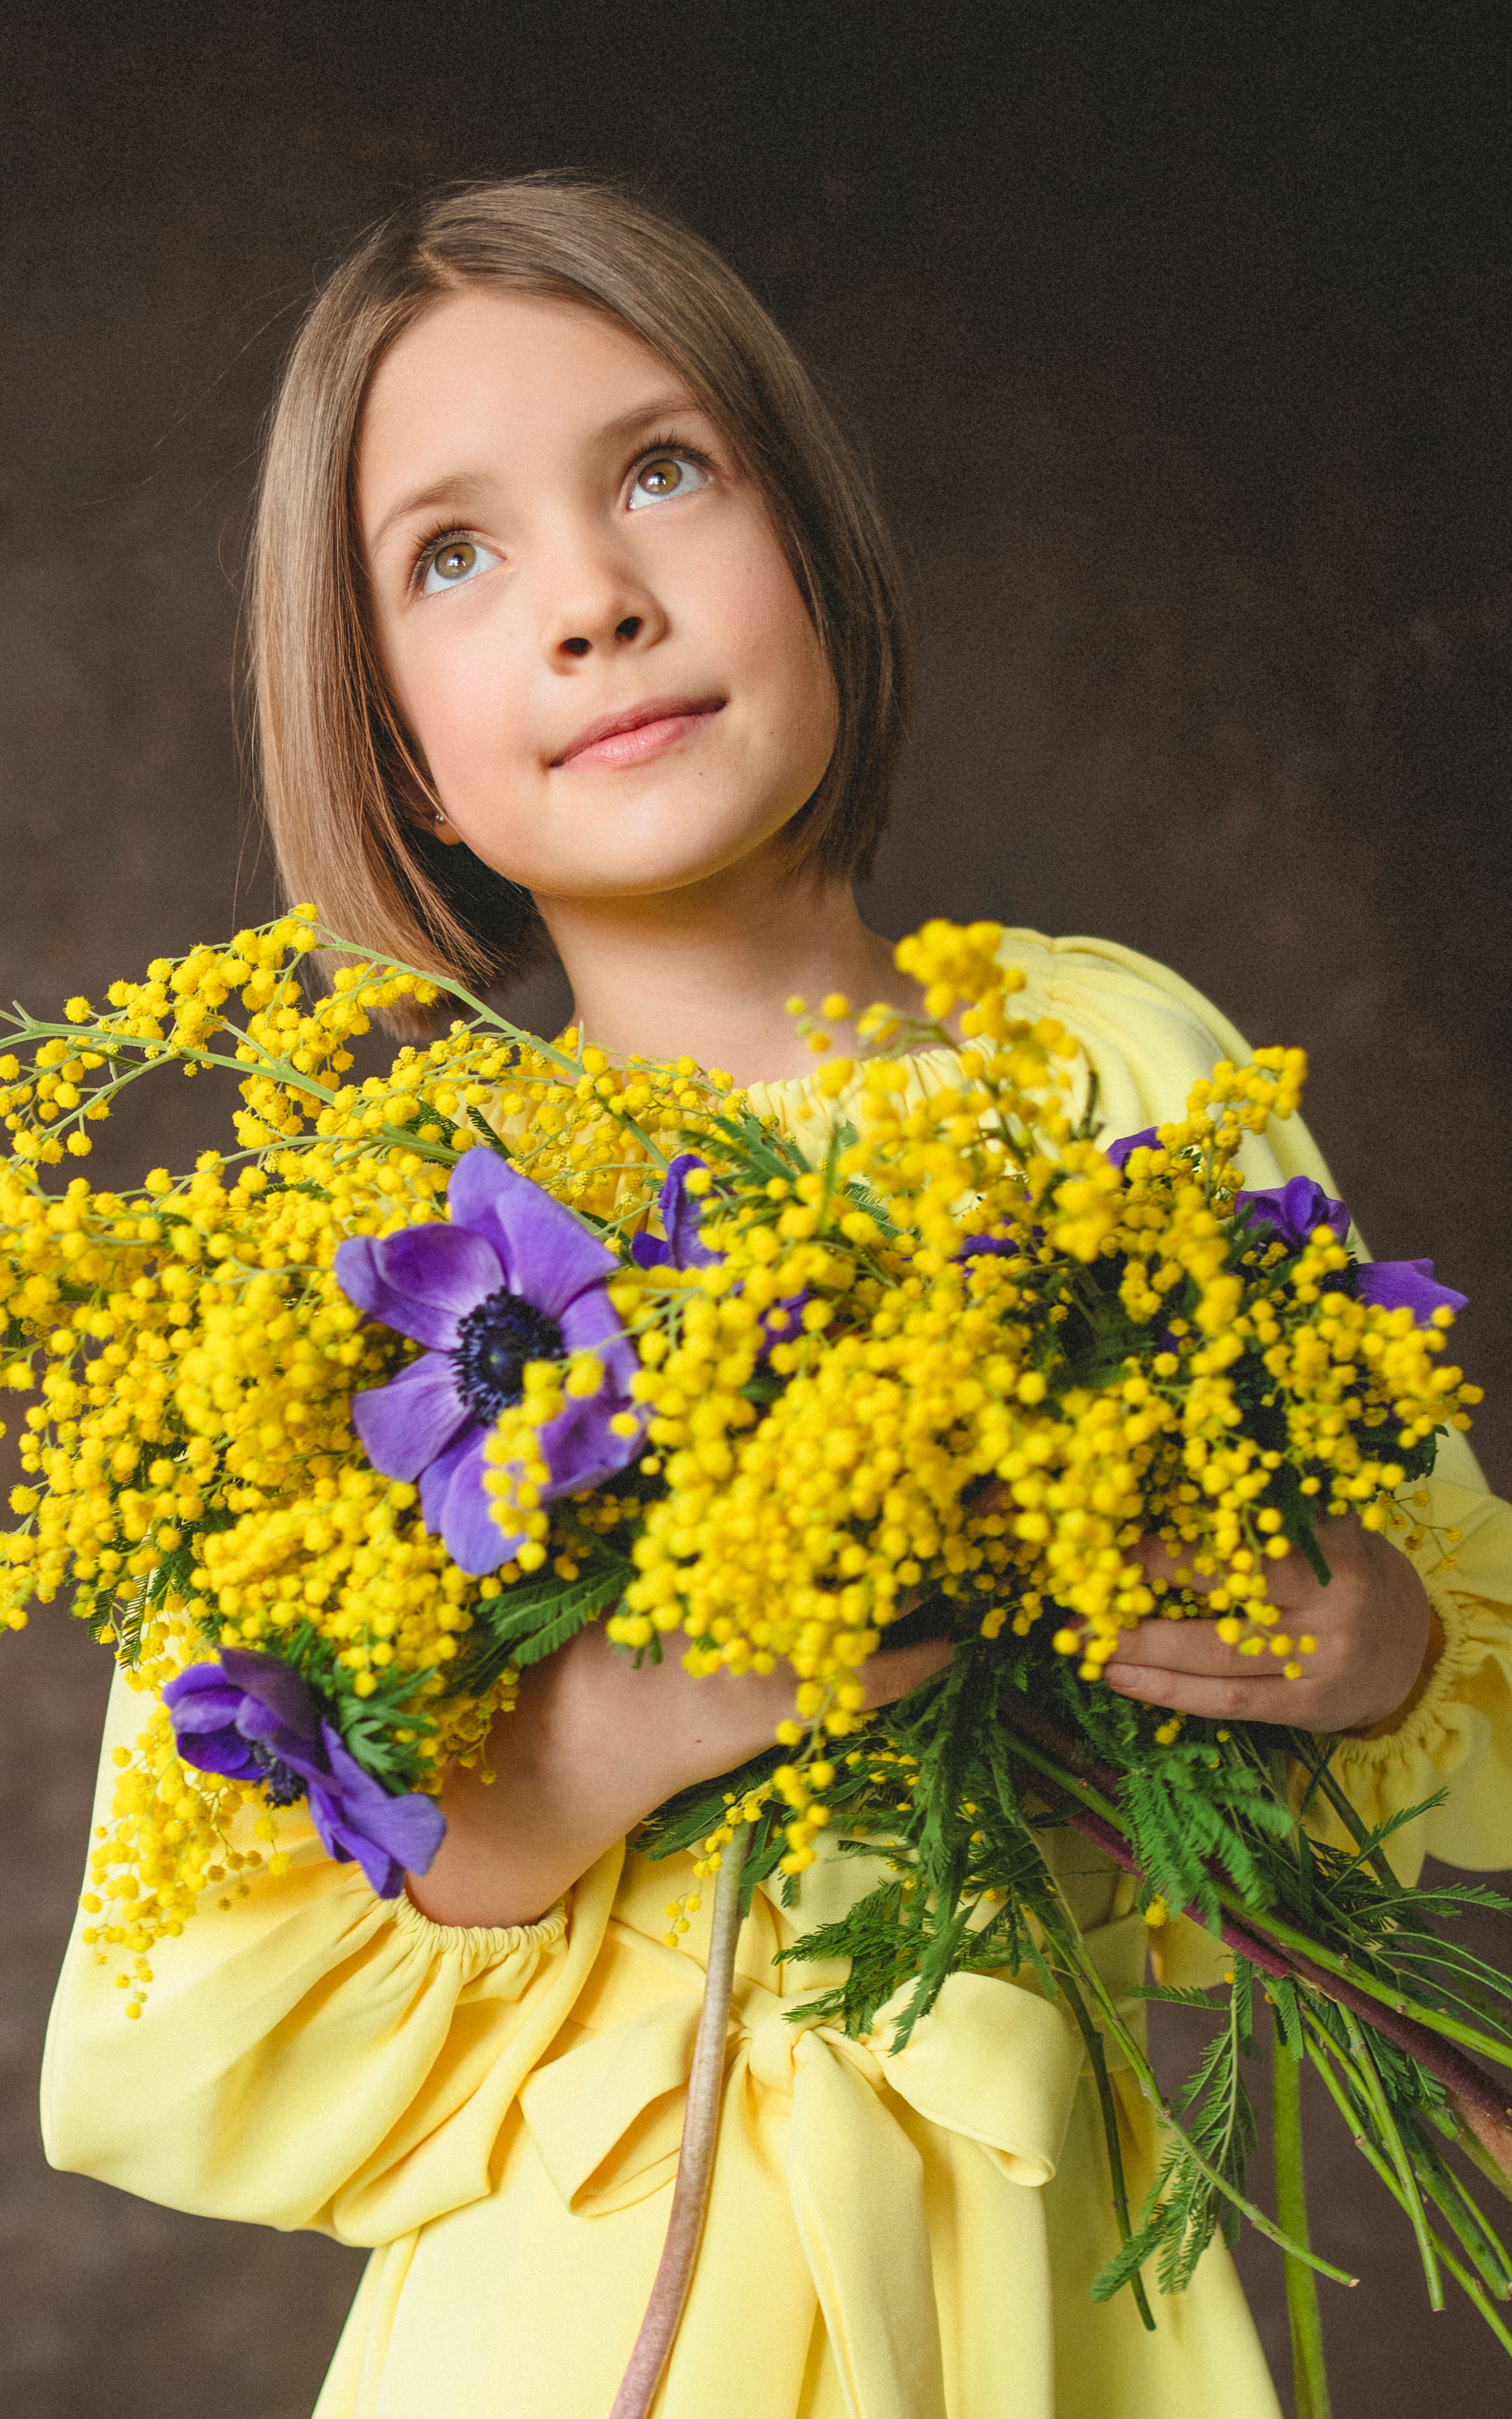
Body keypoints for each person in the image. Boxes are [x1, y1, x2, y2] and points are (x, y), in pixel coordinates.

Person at [41, 179, 1512, 2419]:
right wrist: (638, 1719)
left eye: (660, 472)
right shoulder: (399, 1243)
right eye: (455, 555)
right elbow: (189, 2001)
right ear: (393, 736)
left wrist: (1353, 1639)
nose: (595, 603)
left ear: (810, 538)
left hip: (1077, 2292)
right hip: (614, 2314)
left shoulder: (1114, 1062)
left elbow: (1453, 1649)